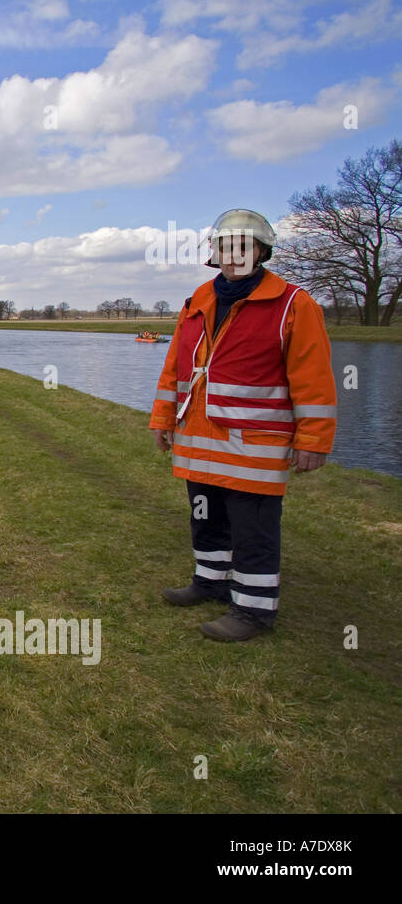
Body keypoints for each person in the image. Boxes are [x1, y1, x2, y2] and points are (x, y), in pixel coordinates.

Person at [150, 209, 337, 642]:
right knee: (206, 515)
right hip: (199, 439)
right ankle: (211, 582)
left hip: (256, 445)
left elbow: (313, 378)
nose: (233, 255)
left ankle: (253, 611)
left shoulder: (294, 304)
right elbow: (175, 368)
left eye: (243, 246)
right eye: (224, 246)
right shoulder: (197, 301)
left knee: (253, 526)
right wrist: (162, 418)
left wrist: (314, 439)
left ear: (261, 251)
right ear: (213, 253)